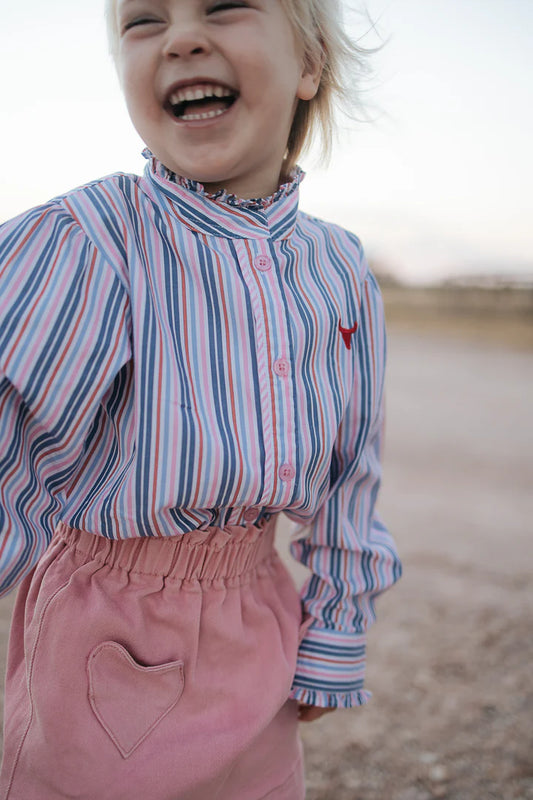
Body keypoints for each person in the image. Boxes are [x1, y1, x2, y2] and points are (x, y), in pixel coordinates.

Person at [0, 0, 402, 797]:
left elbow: (352, 472)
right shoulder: (91, 242)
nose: (182, 36)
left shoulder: (339, 269)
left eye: (225, 7)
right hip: (106, 632)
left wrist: (335, 630)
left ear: (310, 65)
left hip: (259, 622)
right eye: (142, 21)